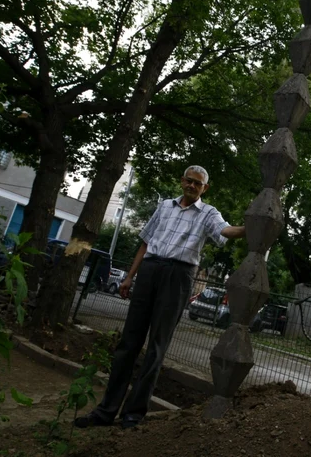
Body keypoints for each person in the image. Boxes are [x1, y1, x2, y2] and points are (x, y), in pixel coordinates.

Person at [75, 165, 245, 429]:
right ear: (181, 181)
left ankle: (133, 414)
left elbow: (225, 231)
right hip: (150, 270)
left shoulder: (208, 213)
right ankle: (105, 411)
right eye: (188, 181)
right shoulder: (164, 206)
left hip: (179, 276)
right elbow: (145, 242)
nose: (191, 186)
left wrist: (251, 228)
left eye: (197, 184)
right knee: (128, 343)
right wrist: (130, 277)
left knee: (156, 346)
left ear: (204, 188)